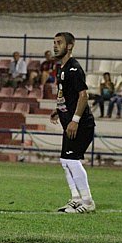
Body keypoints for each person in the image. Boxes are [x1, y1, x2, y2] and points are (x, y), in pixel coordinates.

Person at [50, 32, 96, 213]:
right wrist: (58, 109)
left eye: (59, 43)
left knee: (71, 159)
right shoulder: (61, 68)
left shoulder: (74, 68)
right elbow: (67, 95)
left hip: (81, 124)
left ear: (69, 46)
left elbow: (83, 95)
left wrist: (75, 120)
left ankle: (87, 201)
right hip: (69, 122)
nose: (55, 46)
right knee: (65, 160)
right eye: (54, 42)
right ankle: (76, 198)